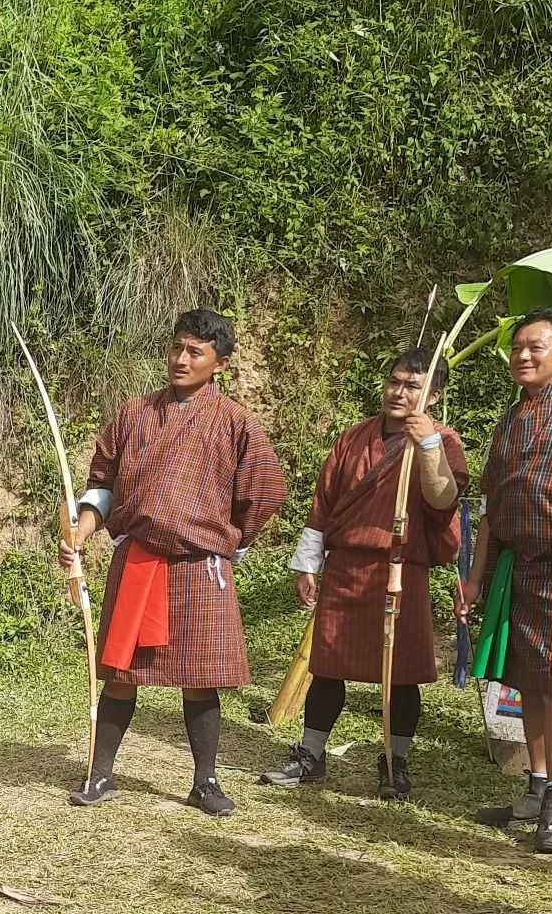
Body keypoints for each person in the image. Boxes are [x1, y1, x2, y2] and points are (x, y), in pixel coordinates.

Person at [59, 308, 286, 815]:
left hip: (201, 565)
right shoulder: (134, 414)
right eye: (177, 348)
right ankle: (100, 773)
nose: (181, 360)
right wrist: (81, 532)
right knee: (121, 673)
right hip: (139, 560)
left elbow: (266, 491)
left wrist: (228, 541)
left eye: (195, 352)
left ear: (219, 363)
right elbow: (102, 484)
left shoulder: (236, 423)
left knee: (200, 678)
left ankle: (205, 782)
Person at [261, 350, 467, 798]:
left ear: (433, 396)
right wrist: (308, 562)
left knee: (402, 672)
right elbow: (324, 502)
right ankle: (311, 754)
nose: (399, 393)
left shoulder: (444, 441)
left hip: (401, 569)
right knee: (328, 666)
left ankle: (396, 762)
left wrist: (427, 445)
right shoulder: (354, 438)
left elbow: (443, 501)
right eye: (394, 382)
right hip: (346, 565)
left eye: (413, 387)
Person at [458, 307, 552, 854]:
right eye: (517, 347)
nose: (522, 355)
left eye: (535, 347)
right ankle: (536, 786)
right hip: (519, 565)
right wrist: (474, 578)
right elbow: (492, 509)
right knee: (528, 677)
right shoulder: (511, 419)